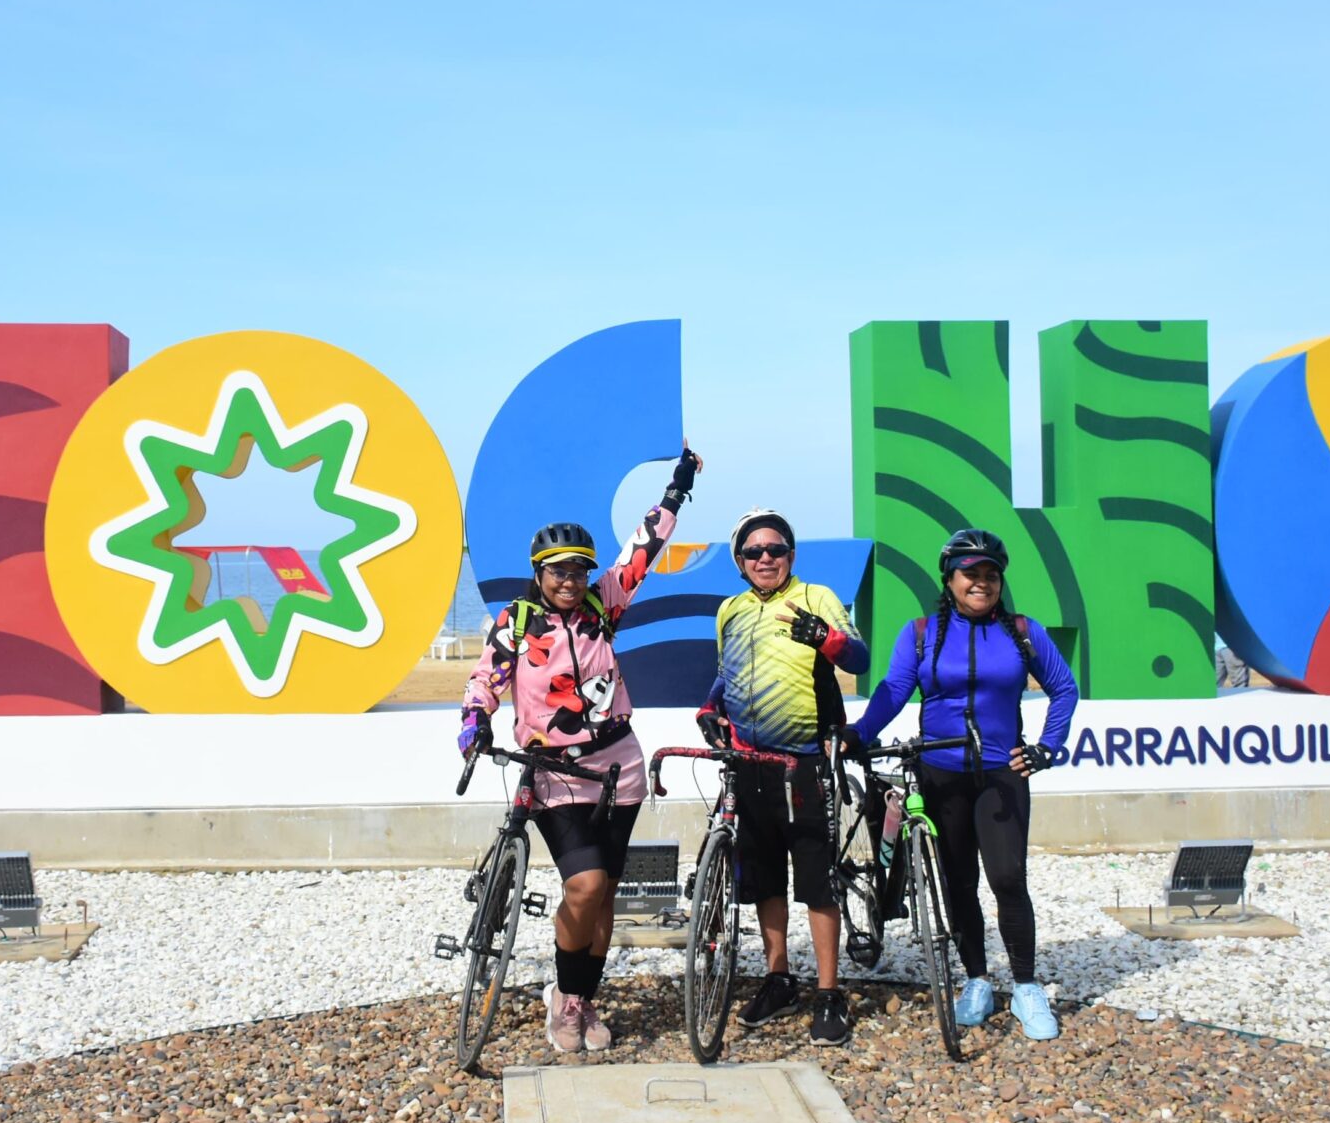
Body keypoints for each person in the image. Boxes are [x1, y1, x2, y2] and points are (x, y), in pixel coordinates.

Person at [460, 447, 701, 1053]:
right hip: (554, 774)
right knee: (586, 885)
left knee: (605, 896)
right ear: (538, 573)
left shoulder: (603, 607)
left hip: (619, 767)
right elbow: (486, 680)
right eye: (558, 571)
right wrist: (473, 724)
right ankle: (565, 1002)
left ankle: (582, 1001)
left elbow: (641, 551)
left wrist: (676, 491)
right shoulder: (516, 623)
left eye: (579, 570)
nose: (570, 581)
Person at [851, 528, 1079, 1039]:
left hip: (1002, 773)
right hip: (940, 774)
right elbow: (891, 693)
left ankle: (1024, 986)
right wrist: (858, 734)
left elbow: (1064, 688)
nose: (982, 583)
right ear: (950, 580)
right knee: (959, 883)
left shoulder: (1022, 631)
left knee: (1007, 879)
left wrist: (1047, 746)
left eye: (990, 575)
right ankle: (976, 978)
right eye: (970, 574)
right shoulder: (920, 634)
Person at [698, 507, 869, 1046]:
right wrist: (709, 708)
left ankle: (829, 992)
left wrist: (825, 637)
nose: (765, 558)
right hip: (750, 762)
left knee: (817, 881)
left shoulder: (817, 596)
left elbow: (859, 659)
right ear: (740, 561)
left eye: (775, 550)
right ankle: (779, 978)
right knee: (765, 878)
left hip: (806, 763)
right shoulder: (730, 609)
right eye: (753, 552)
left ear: (790, 556)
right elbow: (727, 676)